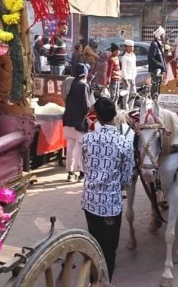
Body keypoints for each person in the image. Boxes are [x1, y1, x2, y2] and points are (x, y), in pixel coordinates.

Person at [81, 98, 135, 281]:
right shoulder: (124, 143)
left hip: (89, 201)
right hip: (111, 205)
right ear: (114, 115)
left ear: (98, 117)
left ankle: (92, 279)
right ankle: (104, 281)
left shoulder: (86, 139)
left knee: (94, 241)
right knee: (109, 249)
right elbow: (127, 179)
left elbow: (85, 167)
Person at [62, 63, 94, 182]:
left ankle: (70, 174)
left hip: (68, 120)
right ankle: (81, 174)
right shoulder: (83, 86)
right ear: (84, 74)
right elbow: (86, 106)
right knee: (80, 148)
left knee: (70, 147)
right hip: (79, 122)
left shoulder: (69, 84)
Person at [148, 26, 167, 97]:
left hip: (160, 72)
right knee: (155, 89)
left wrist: (164, 69)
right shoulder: (154, 45)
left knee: (159, 89)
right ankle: (154, 103)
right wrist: (161, 65)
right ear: (159, 35)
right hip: (156, 71)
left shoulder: (159, 45)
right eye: (163, 35)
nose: (164, 37)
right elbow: (151, 59)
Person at [120, 40, 137, 109]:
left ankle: (131, 108)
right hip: (127, 78)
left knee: (133, 94)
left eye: (132, 46)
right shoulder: (124, 57)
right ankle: (126, 109)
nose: (132, 48)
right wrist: (125, 80)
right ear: (126, 47)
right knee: (126, 95)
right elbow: (123, 69)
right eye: (130, 47)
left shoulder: (133, 56)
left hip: (133, 78)